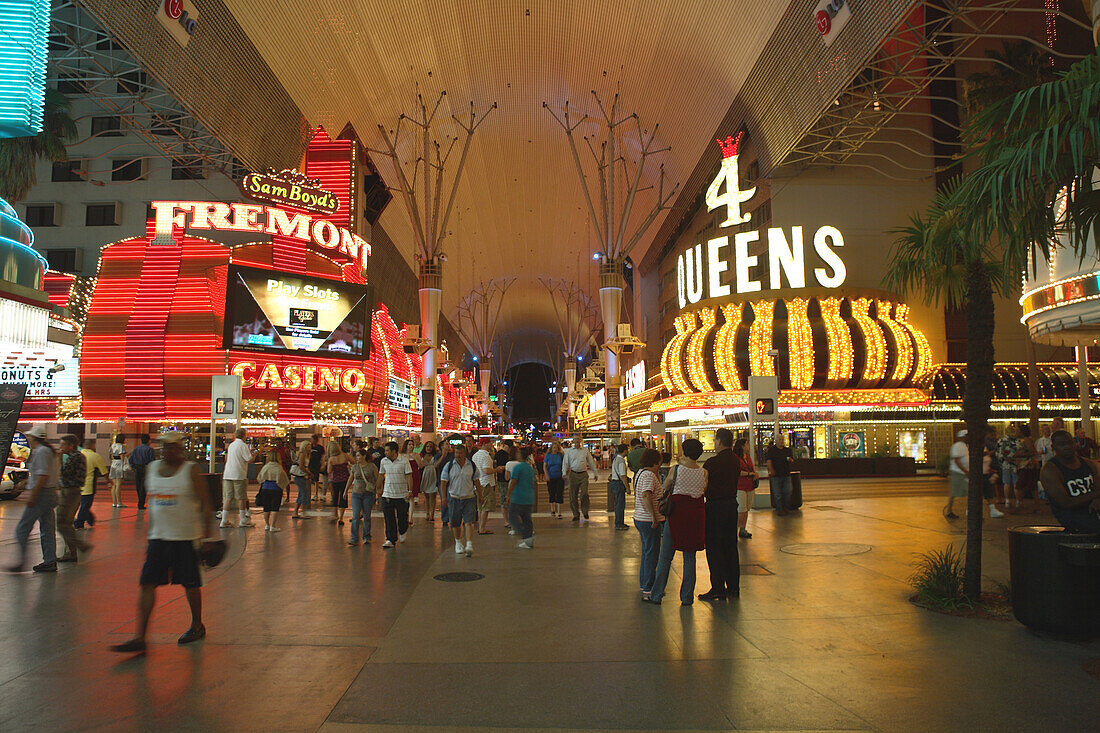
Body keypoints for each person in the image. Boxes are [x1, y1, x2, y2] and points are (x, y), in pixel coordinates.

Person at [110, 432, 214, 653]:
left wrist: (207, 537)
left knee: (191, 585)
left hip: (185, 538)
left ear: (181, 449)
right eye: (165, 447)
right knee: (147, 583)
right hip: (158, 539)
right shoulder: (153, 469)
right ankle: (140, 637)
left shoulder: (190, 471)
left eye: (173, 447)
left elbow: (206, 504)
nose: (168, 451)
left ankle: (197, 625)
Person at [649, 438, 707, 606]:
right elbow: (703, 490)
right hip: (696, 516)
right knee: (690, 556)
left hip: (677, 516)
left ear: (684, 452)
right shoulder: (703, 472)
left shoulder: (676, 470)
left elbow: (666, 487)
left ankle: (657, 594)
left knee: (666, 556)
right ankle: (687, 597)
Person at [6, 427, 61, 573]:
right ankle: (50, 561)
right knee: (47, 529)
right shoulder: (49, 451)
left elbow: (42, 476)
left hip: (42, 495)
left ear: (34, 438)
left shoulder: (41, 451)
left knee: (22, 528)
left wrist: (33, 495)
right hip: (50, 494)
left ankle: (21, 561)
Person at [697, 428, 741, 600]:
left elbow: (703, 485)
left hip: (715, 508)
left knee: (715, 547)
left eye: (715, 440)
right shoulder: (736, 461)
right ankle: (733, 587)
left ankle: (717, 587)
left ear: (720, 441)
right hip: (731, 506)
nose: (715, 443)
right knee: (730, 546)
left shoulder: (712, 463)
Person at [1040, 429, 1100, 533]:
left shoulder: (1088, 463)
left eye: (1069, 443)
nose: (1067, 447)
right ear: (1054, 448)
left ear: (1074, 444)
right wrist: (1095, 496)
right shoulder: (1050, 470)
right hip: (1072, 516)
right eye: (1061, 444)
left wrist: (1096, 500)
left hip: (1092, 510)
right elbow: (1066, 503)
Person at [634, 448, 664, 602]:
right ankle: (648, 588)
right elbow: (646, 495)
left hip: (640, 518)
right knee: (652, 554)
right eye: (659, 462)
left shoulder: (640, 473)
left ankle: (644, 584)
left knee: (647, 553)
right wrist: (653, 516)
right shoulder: (649, 475)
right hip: (648, 520)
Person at [56, 434, 90, 563]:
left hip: (69, 492)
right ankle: (71, 552)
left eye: (63, 444)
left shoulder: (74, 457)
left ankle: (80, 545)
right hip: (73, 492)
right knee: (67, 523)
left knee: (61, 522)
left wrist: (59, 460)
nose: (61, 447)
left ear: (71, 446)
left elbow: (63, 472)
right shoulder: (78, 457)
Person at [441, 443, 479, 557]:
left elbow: (476, 480)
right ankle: (458, 542)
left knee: (469, 522)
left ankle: (469, 544)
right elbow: (443, 482)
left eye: (461, 453)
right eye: (456, 453)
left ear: (465, 453)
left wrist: (480, 496)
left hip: (469, 498)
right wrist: (443, 497)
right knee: (455, 523)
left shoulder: (471, 465)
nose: (458, 455)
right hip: (454, 498)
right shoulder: (449, 466)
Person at [221, 427, 257, 528]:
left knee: (228, 498)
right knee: (241, 497)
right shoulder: (243, 445)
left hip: (227, 474)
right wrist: (254, 454)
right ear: (244, 435)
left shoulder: (231, 445)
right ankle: (243, 520)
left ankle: (224, 520)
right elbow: (249, 459)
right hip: (238, 475)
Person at [378, 441, 411, 548]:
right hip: (387, 493)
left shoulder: (404, 461)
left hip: (402, 494)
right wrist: (378, 487)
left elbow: (409, 476)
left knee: (402, 516)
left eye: (387, 450)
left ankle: (402, 530)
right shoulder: (383, 461)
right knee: (389, 518)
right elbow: (381, 474)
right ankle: (390, 539)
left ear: (394, 451)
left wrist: (410, 491)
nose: (385, 452)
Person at [507, 446, 537, 549]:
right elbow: (532, 482)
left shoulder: (518, 468)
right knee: (527, 519)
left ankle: (526, 535)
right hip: (528, 497)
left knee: (512, 517)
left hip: (518, 497)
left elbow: (513, 482)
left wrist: (508, 494)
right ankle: (528, 540)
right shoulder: (530, 468)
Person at [563, 436, 597, 524]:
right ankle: (575, 514)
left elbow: (590, 462)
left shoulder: (585, 450)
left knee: (584, 494)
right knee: (573, 495)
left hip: (583, 474)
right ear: (573, 441)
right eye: (575, 439)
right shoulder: (569, 451)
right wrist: (564, 472)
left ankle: (585, 511)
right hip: (573, 474)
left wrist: (595, 472)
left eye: (578, 439)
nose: (577, 441)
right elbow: (565, 462)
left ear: (580, 440)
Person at [348, 450, 379, 545]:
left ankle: (366, 536)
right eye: (356, 456)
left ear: (364, 456)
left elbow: (378, 478)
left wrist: (378, 489)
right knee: (356, 515)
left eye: (358, 456)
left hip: (368, 493)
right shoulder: (355, 467)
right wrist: (346, 491)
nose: (356, 458)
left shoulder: (372, 466)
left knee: (366, 515)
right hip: (356, 493)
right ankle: (354, 537)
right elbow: (351, 478)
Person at [75, 438, 107, 530]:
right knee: (86, 505)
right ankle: (79, 523)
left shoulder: (78, 454)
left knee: (84, 504)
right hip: (89, 485)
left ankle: (90, 519)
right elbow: (104, 471)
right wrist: (109, 481)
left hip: (77, 484)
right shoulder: (95, 456)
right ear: (92, 445)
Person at [256, 451, 289, 532]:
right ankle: (273, 526)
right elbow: (284, 480)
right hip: (276, 489)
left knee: (266, 507)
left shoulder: (265, 467)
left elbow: (259, 478)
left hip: (265, 488)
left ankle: (267, 525)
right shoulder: (279, 467)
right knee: (275, 507)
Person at [472, 438, 498, 534]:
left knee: (480, 507)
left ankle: (480, 527)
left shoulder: (475, 455)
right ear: (484, 444)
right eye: (489, 443)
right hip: (486, 483)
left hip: (478, 483)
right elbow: (486, 470)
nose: (491, 444)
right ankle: (482, 528)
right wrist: (496, 469)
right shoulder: (486, 456)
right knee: (486, 507)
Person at [765, 433, 795, 515]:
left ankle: (785, 507)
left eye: (782, 440)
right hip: (776, 475)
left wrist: (790, 460)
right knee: (777, 493)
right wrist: (771, 470)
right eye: (780, 440)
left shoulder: (787, 450)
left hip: (786, 474)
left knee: (788, 491)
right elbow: (769, 461)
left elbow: (792, 460)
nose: (781, 441)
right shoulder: (772, 450)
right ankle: (780, 508)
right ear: (776, 441)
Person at [733, 437, 756, 539]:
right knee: (741, 509)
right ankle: (735, 529)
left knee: (746, 508)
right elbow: (737, 471)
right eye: (747, 444)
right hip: (740, 486)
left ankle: (743, 529)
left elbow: (752, 468)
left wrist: (753, 474)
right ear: (742, 446)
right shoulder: (736, 458)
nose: (749, 446)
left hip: (750, 486)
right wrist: (750, 473)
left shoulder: (748, 457)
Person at [1014, 426, 1040, 514]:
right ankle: (1036, 506)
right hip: (1024, 465)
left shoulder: (1027, 440)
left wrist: (1019, 455)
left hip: (1027, 465)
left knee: (1020, 485)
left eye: (1018, 430)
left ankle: (1019, 504)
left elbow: (1032, 452)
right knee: (1032, 486)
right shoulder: (1022, 440)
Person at [995, 424, 1021, 510]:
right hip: (1015, 465)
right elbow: (1020, 452)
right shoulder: (1017, 441)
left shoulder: (1001, 441)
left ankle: (1007, 501)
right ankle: (1018, 501)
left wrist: (1004, 460)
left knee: (1006, 483)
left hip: (1005, 465)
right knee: (1016, 483)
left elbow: (998, 454)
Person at [129, 434, 156, 511]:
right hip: (146, 468)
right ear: (148, 440)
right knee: (143, 487)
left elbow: (130, 459)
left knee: (138, 486)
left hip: (137, 468)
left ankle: (140, 501)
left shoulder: (136, 449)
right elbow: (152, 460)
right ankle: (141, 503)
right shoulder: (149, 450)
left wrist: (133, 467)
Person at [946, 430, 968, 520]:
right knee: (954, 492)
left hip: (963, 472)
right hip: (958, 472)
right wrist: (965, 471)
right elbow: (956, 460)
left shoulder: (965, 446)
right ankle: (949, 511)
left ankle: (969, 511)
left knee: (967, 491)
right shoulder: (958, 446)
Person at [327, 441, 350, 525]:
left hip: (335, 480)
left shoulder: (331, 459)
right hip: (345, 480)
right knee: (343, 497)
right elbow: (354, 461)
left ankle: (335, 514)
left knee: (335, 497)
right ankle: (341, 518)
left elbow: (329, 471)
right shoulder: (345, 455)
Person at [608, 443, 630, 530]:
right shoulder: (621, 461)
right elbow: (623, 476)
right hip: (618, 484)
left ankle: (619, 522)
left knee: (618, 504)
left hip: (614, 482)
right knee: (620, 505)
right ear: (625, 451)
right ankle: (619, 524)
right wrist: (627, 488)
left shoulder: (616, 459)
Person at [400, 439, 421, 525]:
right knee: (404, 496)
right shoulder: (401, 456)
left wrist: (416, 458)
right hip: (404, 476)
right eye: (409, 444)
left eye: (412, 444)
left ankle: (410, 517)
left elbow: (421, 465)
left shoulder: (416, 455)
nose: (411, 446)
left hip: (415, 476)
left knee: (411, 496)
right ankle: (405, 514)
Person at [494, 440, 513, 532]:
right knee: (504, 500)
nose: (508, 449)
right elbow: (496, 466)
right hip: (502, 480)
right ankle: (506, 520)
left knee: (507, 500)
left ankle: (508, 520)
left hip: (508, 480)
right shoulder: (500, 454)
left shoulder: (502, 454)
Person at [419, 441, 440, 522]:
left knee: (433, 496)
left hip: (433, 475)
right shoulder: (421, 455)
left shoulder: (435, 456)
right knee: (426, 496)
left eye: (430, 447)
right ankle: (427, 513)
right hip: (425, 475)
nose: (428, 448)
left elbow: (437, 464)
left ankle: (432, 514)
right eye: (427, 446)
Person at [291, 439, 312, 519]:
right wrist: (308, 472)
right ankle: (303, 512)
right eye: (308, 445)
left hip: (302, 476)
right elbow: (301, 466)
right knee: (304, 494)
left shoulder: (307, 454)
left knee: (301, 493)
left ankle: (295, 512)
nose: (310, 447)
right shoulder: (302, 454)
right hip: (300, 476)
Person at [544, 440, 565, 518]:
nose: (555, 449)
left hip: (559, 476)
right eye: (554, 448)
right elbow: (545, 466)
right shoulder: (548, 455)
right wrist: (546, 475)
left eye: (556, 448)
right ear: (551, 448)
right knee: (551, 493)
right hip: (551, 476)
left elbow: (564, 465)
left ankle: (559, 512)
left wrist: (564, 473)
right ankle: (553, 509)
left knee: (559, 493)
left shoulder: (560, 455)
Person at [109, 434, 127, 507]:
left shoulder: (113, 445)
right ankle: (119, 502)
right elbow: (122, 457)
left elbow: (110, 455)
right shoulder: (121, 446)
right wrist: (124, 466)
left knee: (114, 484)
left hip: (113, 463)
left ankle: (114, 502)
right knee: (118, 484)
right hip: (119, 464)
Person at [309, 434, 325, 501]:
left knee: (316, 479)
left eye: (312, 439)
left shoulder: (320, 448)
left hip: (316, 465)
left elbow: (323, 456)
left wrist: (322, 464)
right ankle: (319, 488)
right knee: (310, 480)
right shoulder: (310, 447)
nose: (311, 441)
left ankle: (316, 494)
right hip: (310, 465)